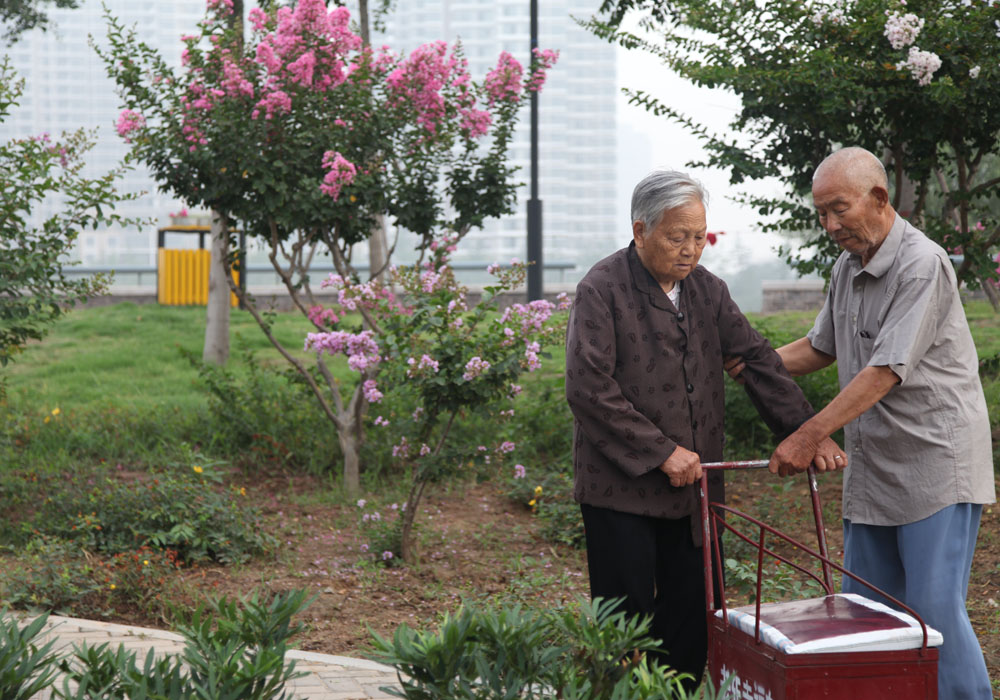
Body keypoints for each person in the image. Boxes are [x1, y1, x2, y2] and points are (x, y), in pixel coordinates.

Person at [565, 169, 846, 687]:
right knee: (623, 629)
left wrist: (809, 432)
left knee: (692, 618)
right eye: (677, 237)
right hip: (621, 490)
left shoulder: (707, 292)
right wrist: (661, 451)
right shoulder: (601, 289)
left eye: (699, 237)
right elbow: (588, 388)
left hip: (696, 489)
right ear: (640, 229)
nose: (690, 250)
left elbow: (757, 361)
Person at [746, 146, 996, 699]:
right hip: (876, 467)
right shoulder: (847, 267)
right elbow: (818, 348)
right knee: (870, 611)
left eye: (839, 209)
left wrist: (807, 434)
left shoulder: (920, 263)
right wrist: (742, 359)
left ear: (879, 198)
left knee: (932, 615)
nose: (830, 226)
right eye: (821, 214)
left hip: (935, 464)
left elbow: (884, 371)